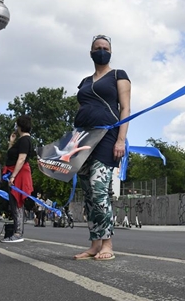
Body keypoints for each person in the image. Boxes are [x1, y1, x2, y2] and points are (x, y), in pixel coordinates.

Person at [72, 34, 130, 261]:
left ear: (111, 52)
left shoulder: (118, 75)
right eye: (97, 47)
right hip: (83, 140)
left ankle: (108, 244)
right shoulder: (85, 82)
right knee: (88, 193)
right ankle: (95, 244)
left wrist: (121, 140)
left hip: (107, 137)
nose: (101, 50)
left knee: (99, 190)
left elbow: (125, 109)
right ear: (91, 52)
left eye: (105, 47)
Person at [2, 114, 35, 243]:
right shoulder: (21, 140)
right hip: (15, 171)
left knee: (17, 202)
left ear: (19, 126)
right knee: (14, 202)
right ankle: (17, 230)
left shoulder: (25, 141)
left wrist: (13, 176)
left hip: (18, 173)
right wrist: (11, 142)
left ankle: (18, 232)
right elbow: (11, 155)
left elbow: (21, 159)